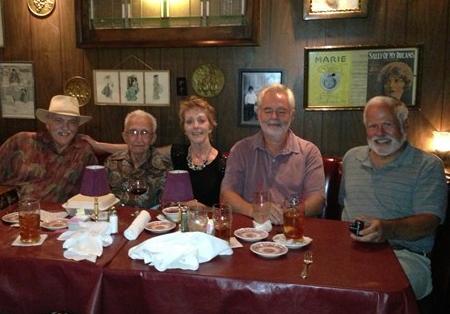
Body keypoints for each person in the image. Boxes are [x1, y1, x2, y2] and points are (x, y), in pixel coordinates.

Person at [339, 96, 447, 300]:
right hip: (350, 252)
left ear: (404, 125)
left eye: (387, 125)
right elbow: (343, 208)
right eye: (373, 126)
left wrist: (386, 229)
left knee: (372, 292)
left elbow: (429, 223)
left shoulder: (428, 166)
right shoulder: (351, 158)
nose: (379, 133)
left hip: (405, 257)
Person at [85, 96, 226, 207]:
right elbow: (140, 146)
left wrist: (202, 208)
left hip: (207, 223)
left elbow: (225, 208)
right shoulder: (177, 152)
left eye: (201, 121)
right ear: (184, 128)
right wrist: (98, 145)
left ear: (211, 126)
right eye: (189, 121)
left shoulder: (222, 164)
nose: (195, 126)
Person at [220, 83, 325, 224]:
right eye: (268, 110)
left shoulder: (309, 152)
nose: (274, 117)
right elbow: (227, 194)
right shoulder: (240, 150)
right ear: (258, 113)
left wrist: (288, 213)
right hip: (250, 231)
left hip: (294, 231)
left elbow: (318, 200)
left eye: (281, 111)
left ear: (292, 115)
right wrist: (255, 210)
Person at [0, 95, 97, 202]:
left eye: (72, 122)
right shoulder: (20, 141)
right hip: (12, 214)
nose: (65, 127)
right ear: (47, 123)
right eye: (58, 121)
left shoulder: (83, 152)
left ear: (77, 126)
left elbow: (96, 192)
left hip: (58, 220)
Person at [105, 110, 172, 209]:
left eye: (144, 133)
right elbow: (102, 199)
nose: (139, 139)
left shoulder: (165, 166)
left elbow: (167, 207)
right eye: (133, 132)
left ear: (153, 138)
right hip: (116, 221)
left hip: (151, 222)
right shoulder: (112, 163)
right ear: (125, 137)